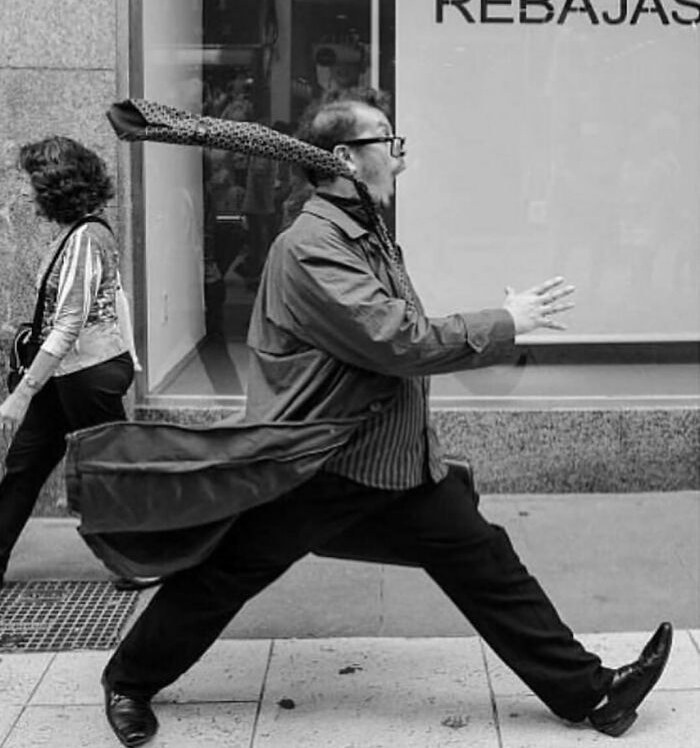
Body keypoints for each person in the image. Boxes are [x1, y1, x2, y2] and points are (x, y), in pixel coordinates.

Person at [100, 90, 671, 747]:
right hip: (320, 464)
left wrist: (497, 336)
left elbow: (403, 337)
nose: (401, 159)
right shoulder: (312, 246)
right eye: (389, 143)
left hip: (390, 459)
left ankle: (593, 693)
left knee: (483, 560)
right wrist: (505, 322)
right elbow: (397, 341)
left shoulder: (362, 232)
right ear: (344, 157)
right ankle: (128, 680)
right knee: (224, 576)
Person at [0, 137, 155, 592]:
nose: (22, 192)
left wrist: (21, 395)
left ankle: (135, 560)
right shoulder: (77, 234)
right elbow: (116, 297)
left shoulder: (87, 237)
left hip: (86, 375)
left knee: (107, 472)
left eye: (30, 182)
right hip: (66, 372)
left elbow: (69, 323)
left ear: (55, 185)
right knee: (25, 466)